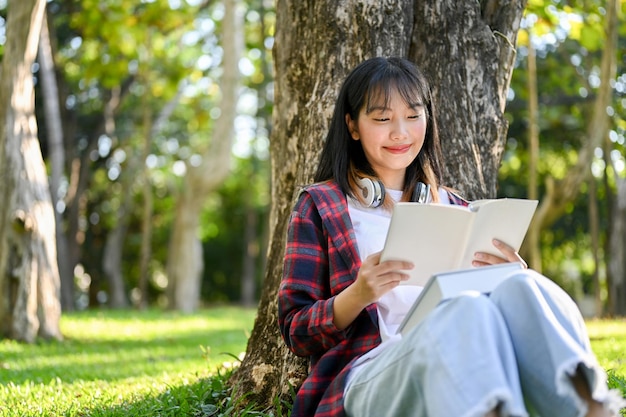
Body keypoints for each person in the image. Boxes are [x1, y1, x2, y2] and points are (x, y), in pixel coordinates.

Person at [277, 56, 624, 417]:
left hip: (468, 357)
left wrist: (505, 275)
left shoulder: (456, 206)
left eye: (413, 116)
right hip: (372, 372)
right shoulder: (321, 206)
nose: (400, 132)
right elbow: (295, 330)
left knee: (523, 285)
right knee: (464, 309)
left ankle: (590, 408)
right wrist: (358, 294)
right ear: (352, 126)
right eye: (382, 119)